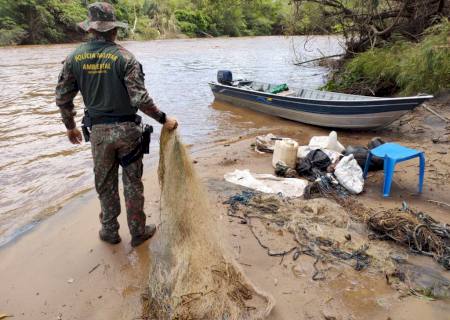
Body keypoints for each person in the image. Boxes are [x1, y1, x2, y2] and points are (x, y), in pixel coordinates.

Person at [55, 2, 178, 247]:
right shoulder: (125, 58)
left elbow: (62, 98)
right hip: (128, 132)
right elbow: (140, 99)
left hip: (99, 133)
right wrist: (164, 119)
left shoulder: (74, 58)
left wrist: (70, 126)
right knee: (132, 183)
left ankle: (110, 231)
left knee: (104, 184)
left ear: (90, 29)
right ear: (114, 30)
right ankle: (138, 232)